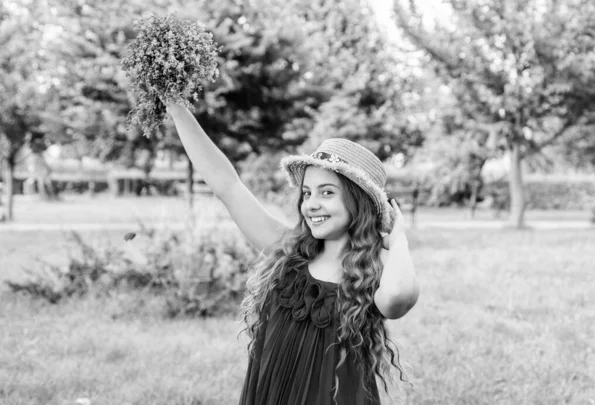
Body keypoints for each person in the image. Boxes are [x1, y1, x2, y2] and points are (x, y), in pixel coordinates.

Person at [166, 103, 420, 405]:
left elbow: (396, 301)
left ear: (358, 203)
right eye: (307, 193)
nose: (311, 204)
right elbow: (228, 185)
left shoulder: (372, 269)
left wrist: (398, 240)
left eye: (327, 192)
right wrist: (176, 105)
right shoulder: (288, 251)